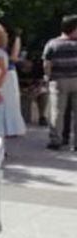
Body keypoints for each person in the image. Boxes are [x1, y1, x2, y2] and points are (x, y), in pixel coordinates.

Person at [44, 14, 77, 151]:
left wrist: (48, 77)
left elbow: (47, 63)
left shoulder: (52, 43)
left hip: (58, 81)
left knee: (57, 111)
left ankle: (55, 140)